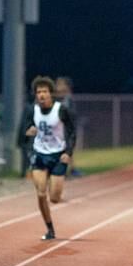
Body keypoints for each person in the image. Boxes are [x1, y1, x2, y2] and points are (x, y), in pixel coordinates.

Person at [23, 76, 76, 240]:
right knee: (40, 193)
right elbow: (24, 131)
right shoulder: (32, 110)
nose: (41, 95)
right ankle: (50, 229)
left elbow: (72, 132)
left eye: (44, 91)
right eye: (38, 92)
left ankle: (56, 193)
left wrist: (68, 152)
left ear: (51, 93)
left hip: (58, 155)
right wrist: (28, 133)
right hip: (39, 154)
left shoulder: (61, 110)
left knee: (54, 198)